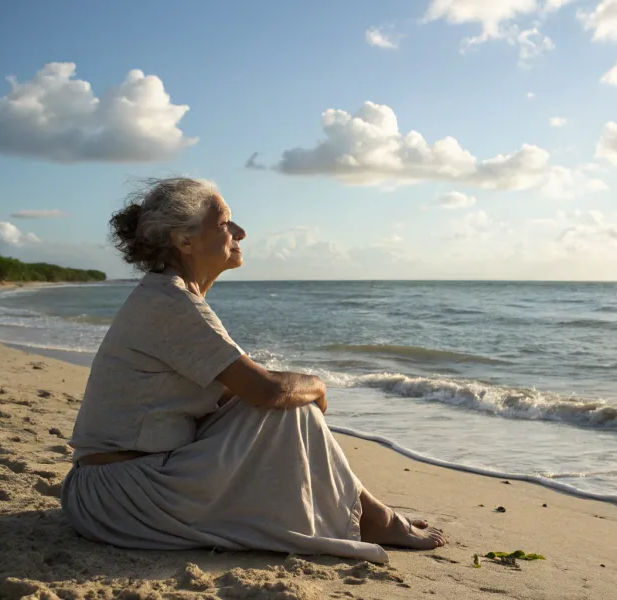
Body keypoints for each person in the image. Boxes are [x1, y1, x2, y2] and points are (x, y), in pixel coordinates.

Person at [61, 177, 446, 563]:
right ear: (185, 241)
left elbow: (243, 395)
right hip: (119, 496)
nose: (240, 232)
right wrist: (317, 384)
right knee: (290, 404)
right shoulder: (172, 303)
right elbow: (264, 390)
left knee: (287, 408)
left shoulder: (168, 296)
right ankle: (373, 517)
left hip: (120, 485)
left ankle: (366, 514)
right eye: (225, 222)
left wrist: (296, 395)